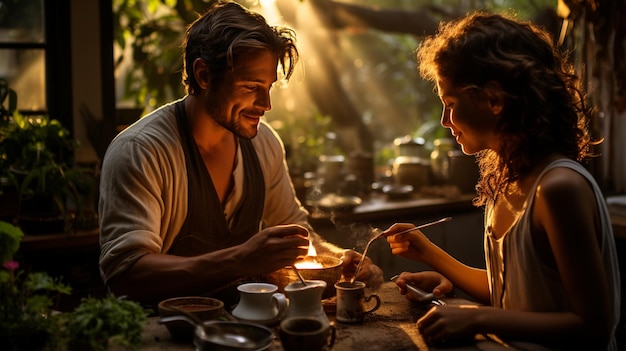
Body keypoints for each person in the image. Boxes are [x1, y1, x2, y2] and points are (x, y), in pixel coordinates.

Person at [98, 0, 383, 307]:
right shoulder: (142, 151)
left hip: (249, 328)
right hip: (164, 332)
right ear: (204, 76)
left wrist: (340, 259)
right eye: (250, 86)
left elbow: (298, 236)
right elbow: (126, 276)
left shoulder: (264, 145)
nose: (266, 104)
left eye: (269, 87)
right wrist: (242, 259)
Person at [383, 12, 620, 350]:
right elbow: (516, 294)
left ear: (494, 99)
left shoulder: (558, 188)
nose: (444, 121)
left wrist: (477, 316)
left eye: (450, 104)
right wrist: (433, 257)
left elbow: (593, 324)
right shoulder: (507, 180)